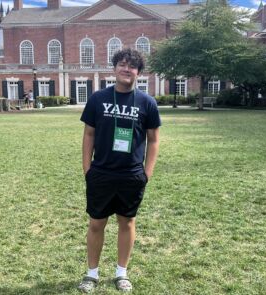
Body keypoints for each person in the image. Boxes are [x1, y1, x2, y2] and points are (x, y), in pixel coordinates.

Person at [78, 48, 161, 293]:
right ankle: (91, 274)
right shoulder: (97, 98)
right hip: (101, 172)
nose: (127, 69)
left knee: (127, 222)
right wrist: (87, 169)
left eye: (132, 66)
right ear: (114, 69)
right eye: (122, 64)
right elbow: (88, 134)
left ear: (138, 72)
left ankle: (121, 273)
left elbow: (154, 139)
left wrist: (147, 173)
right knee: (96, 223)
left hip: (131, 175)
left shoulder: (147, 102)